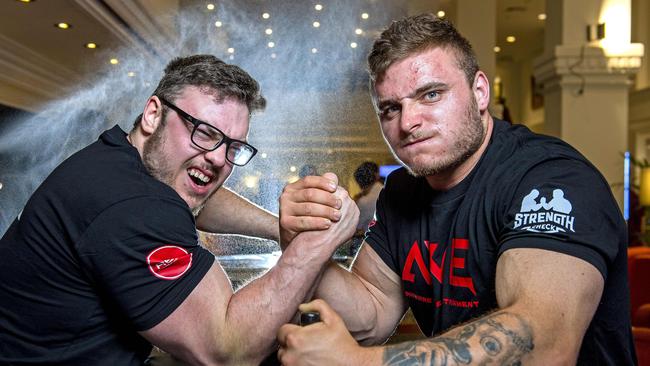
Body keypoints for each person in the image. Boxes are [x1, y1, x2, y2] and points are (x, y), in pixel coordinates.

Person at [275, 14, 636, 365]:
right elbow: (371, 312)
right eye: (390, 109)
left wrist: (358, 363)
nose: (408, 122)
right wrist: (301, 241)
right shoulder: (401, 191)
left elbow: (542, 347)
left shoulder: (551, 180)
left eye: (431, 95)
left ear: (480, 92)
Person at [0, 55, 356, 366]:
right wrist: (311, 246)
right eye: (203, 132)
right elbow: (228, 352)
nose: (218, 158)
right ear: (153, 114)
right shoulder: (130, 206)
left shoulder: (122, 163)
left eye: (234, 146)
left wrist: (279, 226)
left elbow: (196, 201)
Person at [352, 161, 384, 232]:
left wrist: (354, 203)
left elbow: (356, 228)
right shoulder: (386, 191)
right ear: (377, 175)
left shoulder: (364, 201)